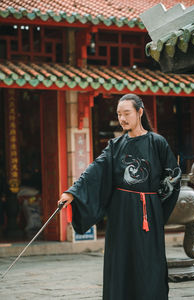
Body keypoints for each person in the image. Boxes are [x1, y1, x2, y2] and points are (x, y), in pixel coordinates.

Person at [58, 93, 181, 300]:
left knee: (148, 263)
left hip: (147, 215)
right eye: (119, 114)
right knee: (120, 262)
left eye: (127, 113)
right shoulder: (115, 145)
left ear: (139, 112)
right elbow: (95, 170)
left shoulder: (157, 142)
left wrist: (157, 210)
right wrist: (72, 192)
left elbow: (173, 177)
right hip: (121, 214)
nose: (122, 118)